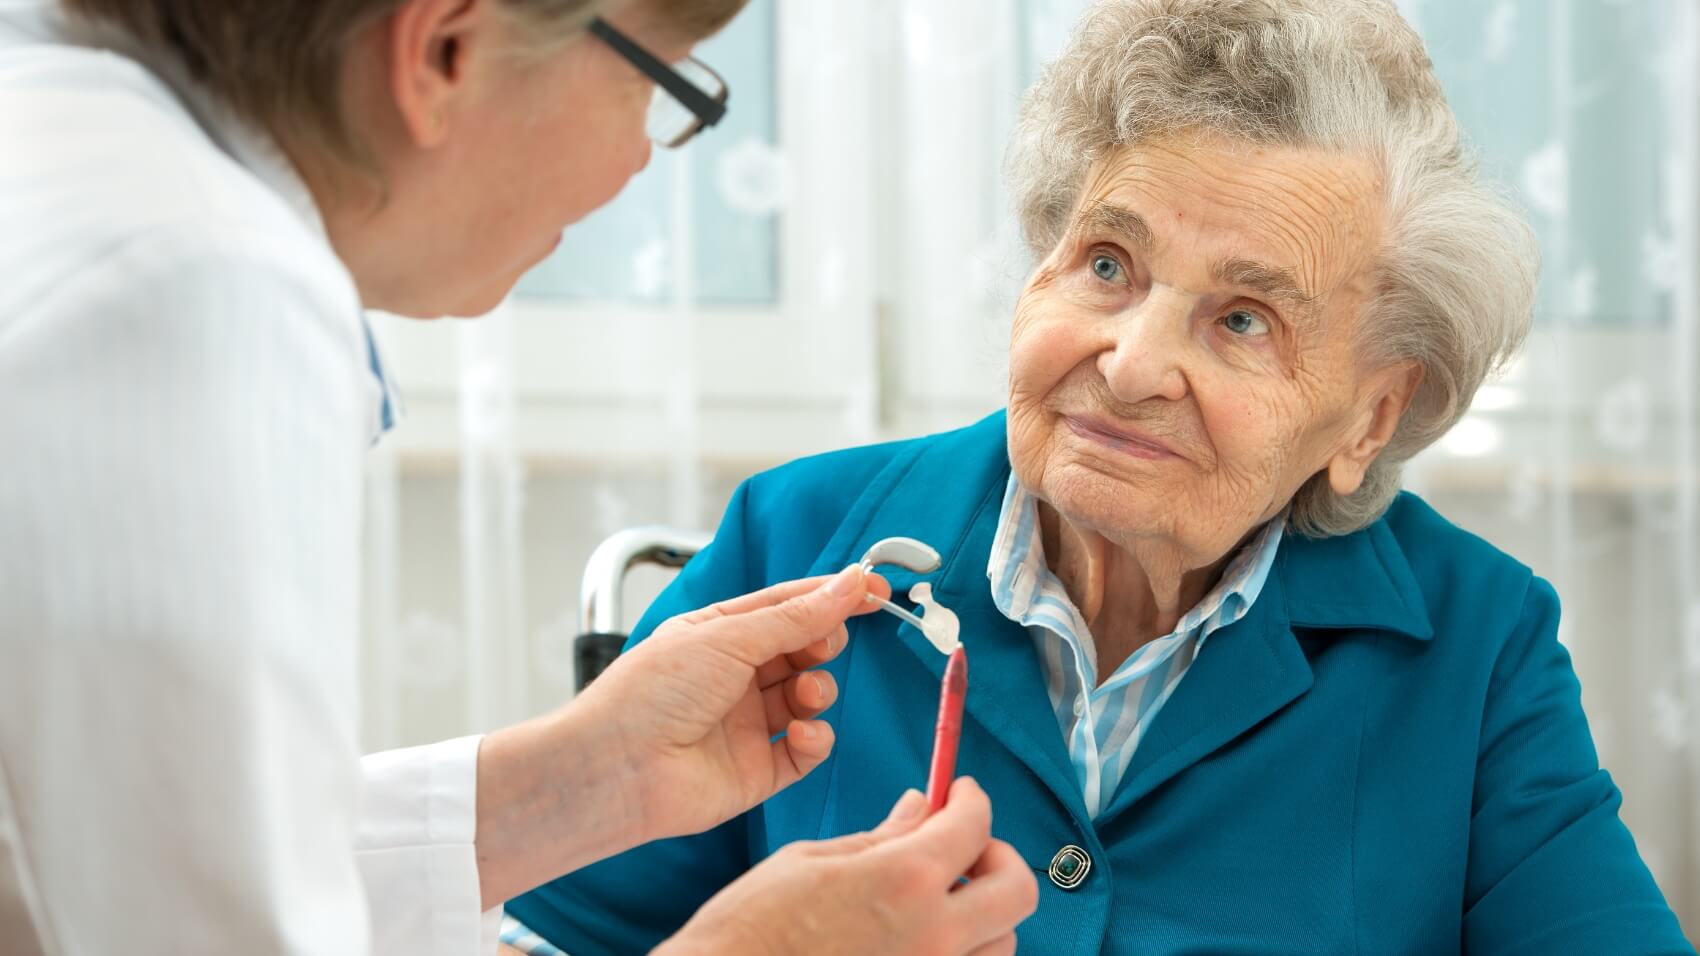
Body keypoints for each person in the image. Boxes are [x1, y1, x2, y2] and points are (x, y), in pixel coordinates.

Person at [503, 0, 1697, 952]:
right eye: (1108, 262)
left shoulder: (1472, 643)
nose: (1129, 366)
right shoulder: (799, 533)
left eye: (1240, 320)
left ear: (1369, 412)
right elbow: (552, 935)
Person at [0, 0, 1038, 953]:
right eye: (660, 86)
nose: (642, 156)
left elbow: (129, 845)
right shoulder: (185, 287)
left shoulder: (84, 161)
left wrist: (583, 777)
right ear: (444, 48)